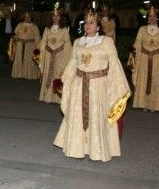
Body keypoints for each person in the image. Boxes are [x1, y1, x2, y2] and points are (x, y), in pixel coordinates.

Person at [53, 9, 130, 162]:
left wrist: (119, 86)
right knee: (77, 116)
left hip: (98, 86)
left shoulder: (106, 41)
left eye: (92, 23)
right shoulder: (77, 42)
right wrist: (64, 79)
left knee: (97, 116)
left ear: (98, 26)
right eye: (86, 23)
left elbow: (114, 63)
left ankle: (97, 150)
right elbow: (73, 63)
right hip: (79, 84)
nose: (88, 25)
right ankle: (77, 148)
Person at [131, 6, 159, 111]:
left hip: (158, 59)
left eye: (154, 16)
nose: (152, 18)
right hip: (144, 59)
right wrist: (132, 59)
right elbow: (137, 44)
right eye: (150, 16)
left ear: (158, 17)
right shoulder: (142, 29)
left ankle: (155, 105)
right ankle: (144, 104)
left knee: (156, 80)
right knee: (144, 80)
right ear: (147, 18)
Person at [38, 5, 72, 104]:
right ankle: (47, 96)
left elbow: (68, 43)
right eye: (54, 16)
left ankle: (57, 97)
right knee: (48, 73)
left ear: (60, 17)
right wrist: (44, 51)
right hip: (48, 55)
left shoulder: (64, 29)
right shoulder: (47, 29)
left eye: (57, 16)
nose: (55, 18)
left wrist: (63, 53)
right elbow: (43, 41)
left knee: (58, 74)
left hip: (60, 55)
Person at [11, 12, 40, 79]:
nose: (27, 18)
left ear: (31, 18)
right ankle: (19, 74)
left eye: (28, 17)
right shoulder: (20, 25)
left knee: (29, 59)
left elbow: (37, 38)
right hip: (20, 45)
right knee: (20, 58)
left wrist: (37, 48)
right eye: (26, 17)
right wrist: (15, 38)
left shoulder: (34, 27)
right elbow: (16, 34)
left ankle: (28, 75)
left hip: (30, 46)